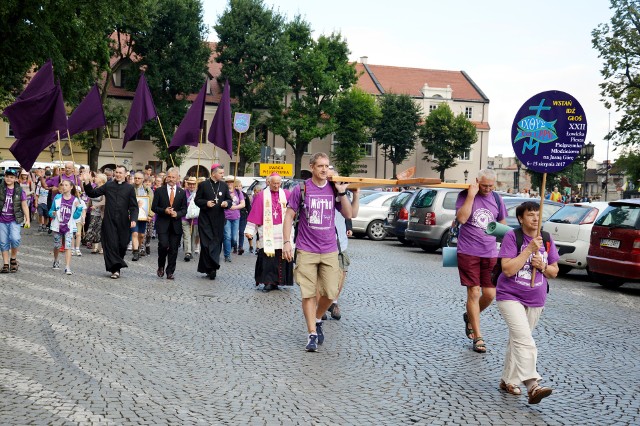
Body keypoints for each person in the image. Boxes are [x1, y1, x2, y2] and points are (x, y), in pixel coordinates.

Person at [282, 153, 352, 352]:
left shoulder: (333, 188)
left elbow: (348, 214)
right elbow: (289, 217)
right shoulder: (301, 189)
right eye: (320, 166)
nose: (324, 169)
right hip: (306, 249)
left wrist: (342, 193)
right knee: (308, 293)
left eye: (327, 166)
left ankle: (318, 317)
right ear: (312, 167)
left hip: (329, 249)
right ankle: (312, 333)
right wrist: (287, 242)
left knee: (330, 293)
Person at [496, 201, 559, 404]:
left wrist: (542, 266)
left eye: (538, 215)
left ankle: (508, 380)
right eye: (530, 215)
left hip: (536, 298)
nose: (535, 218)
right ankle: (532, 385)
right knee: (524, 340)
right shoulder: (512, 237)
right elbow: (507, 269)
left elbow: (554, 272)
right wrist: (528, 250)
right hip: (510, 295)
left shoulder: (547, 238)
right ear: (521, 218)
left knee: (518, 339)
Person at [456, 168, 507, 353]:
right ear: (477, 181)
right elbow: (461, 218)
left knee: (490, 294)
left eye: (490, 186)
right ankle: (478, 337)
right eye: (484, 185)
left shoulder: (497, 199)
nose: (487, 189)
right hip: (468, 251)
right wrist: (471, 195)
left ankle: (469, 316)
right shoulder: (465, 194)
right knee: (474, 292)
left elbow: (502, 224)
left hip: (490, 251)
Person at [81, 165, 138, 279]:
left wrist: (133, 219)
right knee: (111, 244)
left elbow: (133, 206)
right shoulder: (108, 185)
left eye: (120, 173)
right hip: (109, 220)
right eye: (116, 172)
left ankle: (118, 264)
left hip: (123, 221)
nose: (118, 174)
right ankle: (115, 269)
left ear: (125, 174)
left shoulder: (129, 188)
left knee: (122, 244)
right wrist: (87, 182)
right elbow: (92, 193)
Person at [244, 172, 293, 292]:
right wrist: (250, 230)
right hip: (267, 230)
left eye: (278, 183)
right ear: (269, 183)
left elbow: (294, 209)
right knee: (268, 258)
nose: (276, 186)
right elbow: (255, 213)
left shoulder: (286, 194)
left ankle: (279, 281)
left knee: (281, 257)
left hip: (283, 230)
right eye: (274, 183)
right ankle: (268, 282)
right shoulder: (261, 196)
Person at [324, 165, 360, 320]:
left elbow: (352, 214)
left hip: (340, 242)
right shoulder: (321, 192)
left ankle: (333, 302)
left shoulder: (342, 194)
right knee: (322, 276)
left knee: (341, 273)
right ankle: (321, 304)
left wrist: (356, 194)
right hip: (323, 241)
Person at [195, 164, 232, 280]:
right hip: (205, 219)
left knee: (216, 243)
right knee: (206, 244)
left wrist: (226, 203)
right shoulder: (203, 185)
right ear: (213, 173)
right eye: (221, 173)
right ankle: (209, 267)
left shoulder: (224, 185)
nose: (222, 175)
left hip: (219, 219)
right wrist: (206, 203)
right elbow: (197, 200)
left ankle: (213, 268)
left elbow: (229, 200)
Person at [151, 167, 187, 280]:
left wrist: (178, 213)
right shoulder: (159, 191)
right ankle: (160, 266)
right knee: (163, 245)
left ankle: (170, 271)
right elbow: (154, 207)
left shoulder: (182, 192)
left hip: (176, 225)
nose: (171, 179)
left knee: (173, 249)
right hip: (162, 223)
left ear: (177, 178)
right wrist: (164, 210)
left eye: (173, 177)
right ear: (166, 177)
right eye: (169, 177)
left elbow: (184, 209)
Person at [49, 180, 83, 275]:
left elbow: (76, 217)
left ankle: (67, 266)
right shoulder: (57, 198)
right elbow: (51, 211)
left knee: (68, 246)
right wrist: (53, 213)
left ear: (71, 187)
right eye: (62, 185)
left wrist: (79, 209)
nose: (64, 187)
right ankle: (56, 260)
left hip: (69, 226)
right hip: (57, 226)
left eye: (66, 185)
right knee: (57, 245)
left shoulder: (75, 200)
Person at [0, 168, 30, 273]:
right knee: (3, 242)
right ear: (4, 177)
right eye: (7, 176)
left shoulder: (19, 190)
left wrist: (28, 219)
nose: (8, 179)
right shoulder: (0, 188)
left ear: (15, 179)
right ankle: (6, 264)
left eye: (11, 177)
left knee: (15, 239)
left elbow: (24, 205)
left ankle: (13, 258)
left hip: (14, 219)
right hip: (2, 220)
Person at [131, 172, 153, 261]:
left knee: (141, 235)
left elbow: (151, 203)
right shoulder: (130, 188)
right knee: (134, 233)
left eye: (139, 178)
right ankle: (135, 252)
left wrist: (150, 215)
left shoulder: (148, 190)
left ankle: (139, 248)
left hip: (143, 216)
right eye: (135, 178)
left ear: (142, 179)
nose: (137, 180)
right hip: (133, 215)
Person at [223, 175, 245, 262]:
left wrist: (234, 207)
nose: (229, 183)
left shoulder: (238, 192)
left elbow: (243, 204)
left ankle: (232, 246)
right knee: (227, 237)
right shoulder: (224, 192)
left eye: (231, 181)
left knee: (234, 238)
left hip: (236, 217)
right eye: (228, 182)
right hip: (226, 217)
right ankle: (227, 255)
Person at [86, 174, 107, 254]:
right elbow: (90, 199)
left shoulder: (104, 189)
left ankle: (102, 248)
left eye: (97, 177)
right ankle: (95, 247)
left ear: (101, 180)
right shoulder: (95, 188)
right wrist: (86, 207)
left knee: (100, 230)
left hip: (102, 213)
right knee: (93, 229)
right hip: (93, 213)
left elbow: (104, 201)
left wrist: (96, 205)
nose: (95, 178)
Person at [182, 176, 199, 262]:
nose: (192, 186)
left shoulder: (199, 193)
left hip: (196, 218)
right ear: (187, 184)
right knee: (187, 235)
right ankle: (187, 252)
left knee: (193, 235)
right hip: (185, 218)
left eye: (193, 184)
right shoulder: (183, 193)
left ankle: (191, 250)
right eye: (190, 184)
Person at [236, 179, 250, 255]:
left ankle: (240, 246)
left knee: (241, 232)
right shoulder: (233, 195)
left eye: (239, 186)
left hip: (243, 215)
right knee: (234, 233)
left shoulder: (245, 195)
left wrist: (250, 216)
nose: (238, 188)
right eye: (236, 186)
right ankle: (234, 245)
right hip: (234, 215)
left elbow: (248, 206)